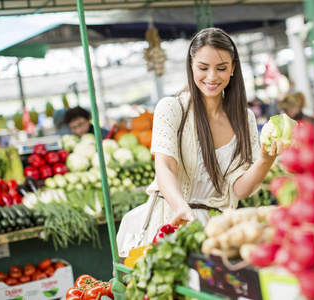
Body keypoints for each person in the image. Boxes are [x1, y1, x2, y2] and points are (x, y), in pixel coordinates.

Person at [117, 28, 286, 256]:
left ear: (233, 68)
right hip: (170, 224)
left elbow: (239, 189)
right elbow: (165, 167)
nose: (212, 77)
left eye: (221, 68)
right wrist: (181, 208)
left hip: (217, 233)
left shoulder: (244, 118)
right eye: (203, 68)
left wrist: (266, 159)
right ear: (191, 66)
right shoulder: (172, 109)